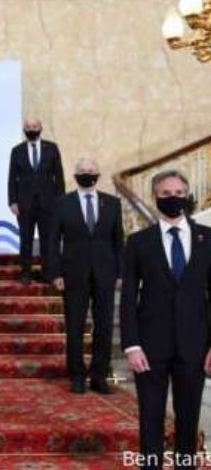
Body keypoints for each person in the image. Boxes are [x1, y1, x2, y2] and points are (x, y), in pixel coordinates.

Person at [120, 170, 211, 469]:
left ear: (188, 195)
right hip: (149, 345)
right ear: (155, 197)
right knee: (151, 416)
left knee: (189, 417)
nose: (174, 198)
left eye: (179, 193)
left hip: (194, 344)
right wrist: (131, 345)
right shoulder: (138, 242)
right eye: (166, 194)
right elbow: (128, 297)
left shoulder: (208, 238)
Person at [47, 158, 123, 394]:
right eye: (82, 170)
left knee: (104, 327)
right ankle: (77, 376)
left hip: (105, 273)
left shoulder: (112, 203)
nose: (87, 173)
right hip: (73, 274)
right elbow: (52, 241)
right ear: (75, 174)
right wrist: (55, 273)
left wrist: (120, 272)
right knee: (75, 326)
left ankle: (99, 376)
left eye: (91, 170)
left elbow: (118, 240)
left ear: (98, 174)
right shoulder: (62, 203)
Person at [7, 118, 65, 284]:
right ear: (24, 129)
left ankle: (48, 272)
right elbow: (12, 178)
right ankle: (26, 272)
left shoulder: (52, 148)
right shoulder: (17, 151)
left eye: (34, 126)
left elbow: (59, 176)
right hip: (24, 203)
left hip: (49, 202)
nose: (31, 129)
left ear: (41, 128)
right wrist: (12, 201)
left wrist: (61, 201)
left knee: (48, 238)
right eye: (28, 127)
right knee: (25, 238)